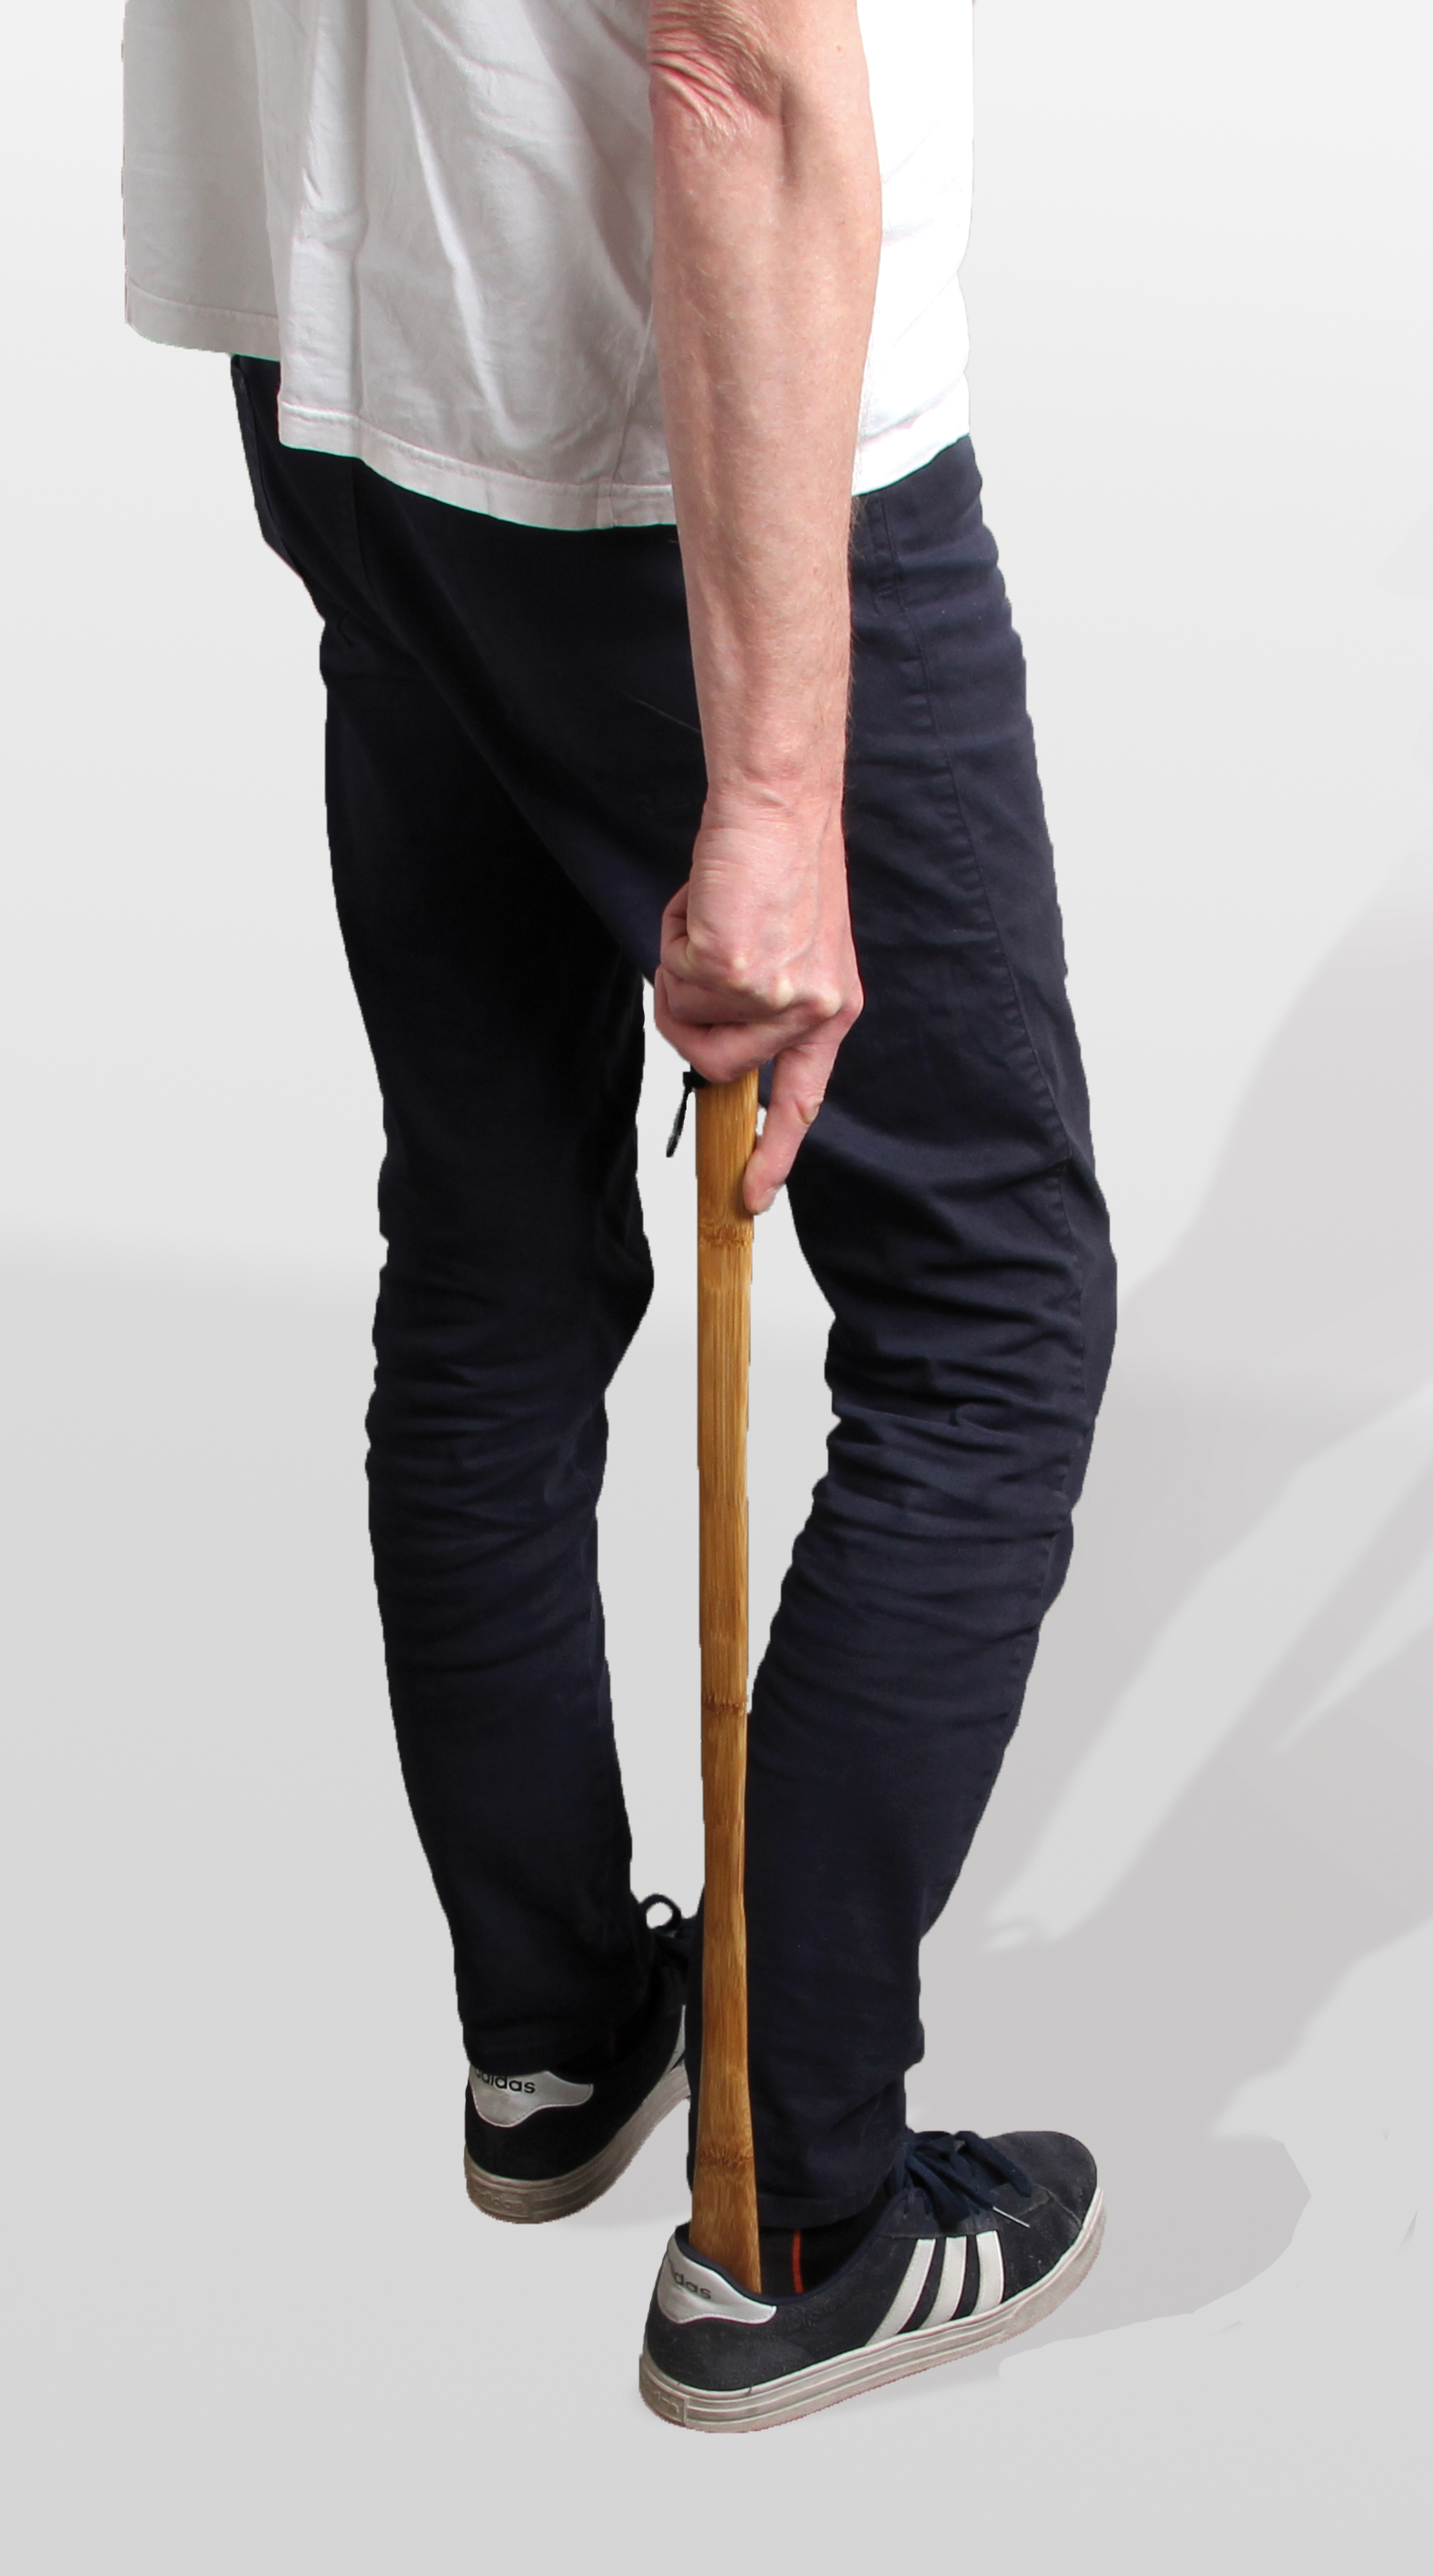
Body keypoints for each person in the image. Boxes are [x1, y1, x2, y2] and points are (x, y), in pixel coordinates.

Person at [123, 0, 1117, 2428]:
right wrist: (772, 791)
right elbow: (733, 67)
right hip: (649, 414)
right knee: (989, 1315)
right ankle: (801, 2215)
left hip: (356, 350)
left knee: (488, 1247)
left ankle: (558, 2038)